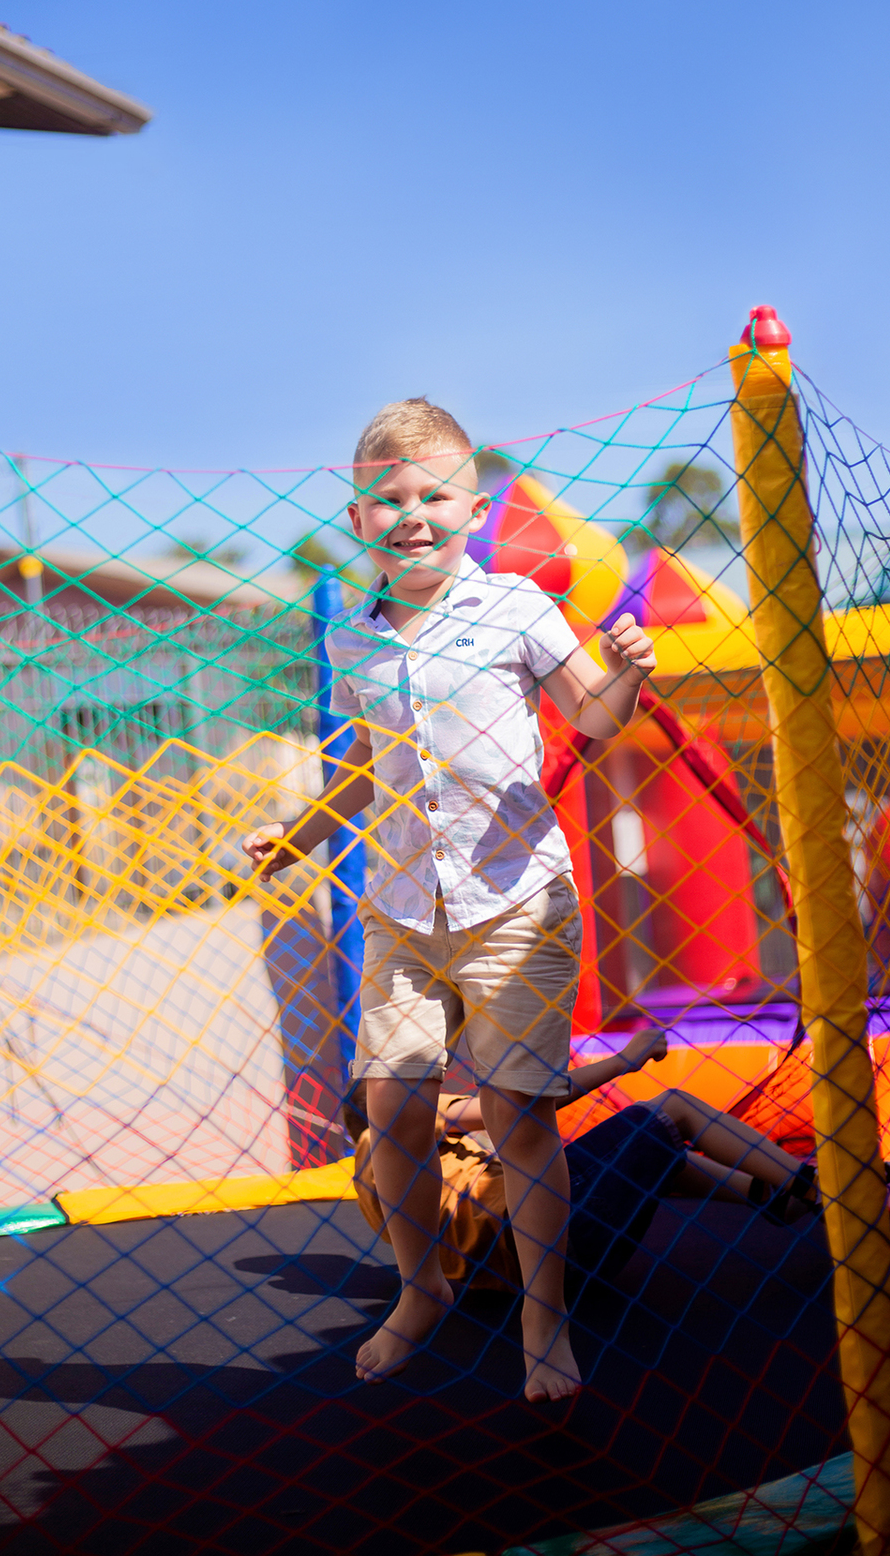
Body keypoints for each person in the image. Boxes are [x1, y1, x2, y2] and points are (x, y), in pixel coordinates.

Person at [242, 397, 656, 1403]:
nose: (413, 514)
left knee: (518, 1115)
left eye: (433, 495)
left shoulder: (518, 608)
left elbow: (591, 717)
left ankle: (543, 1326)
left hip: (517, 901)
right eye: (390, 500)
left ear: (471, 507)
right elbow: (358, 773)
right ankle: (421, 1286)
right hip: (401, 907)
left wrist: (628, 678)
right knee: (393, 1109)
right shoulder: (355, 640)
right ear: (359, 519)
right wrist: (294, 837)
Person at [347, 1027, 821, 1307]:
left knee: (656, 1154)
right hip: (548, 1237)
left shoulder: (368, 1182)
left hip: (543, 1275)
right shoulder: (390, 1126)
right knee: (673, 1109)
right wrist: (623, 1061)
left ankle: (772, 1198)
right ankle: (813, 1184)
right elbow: (525, 1108)